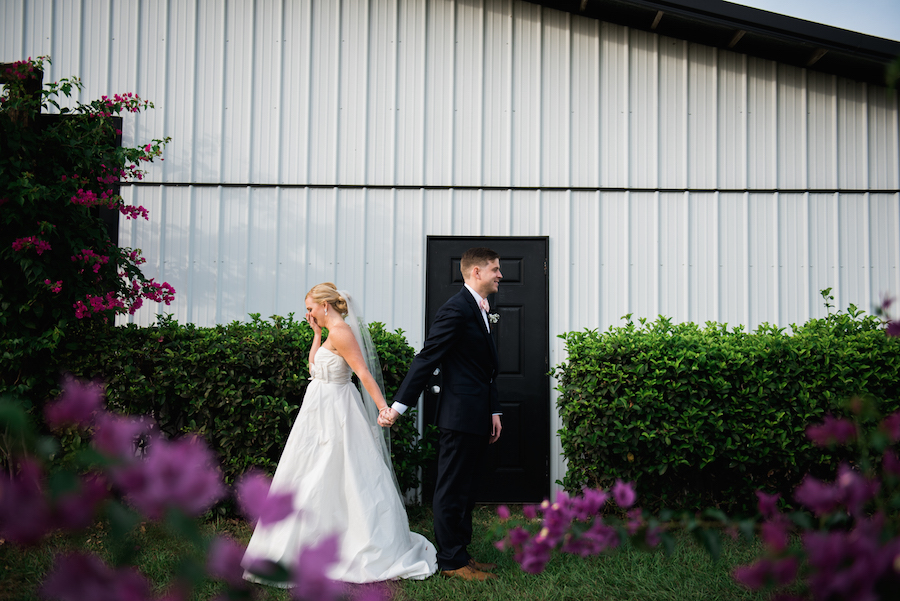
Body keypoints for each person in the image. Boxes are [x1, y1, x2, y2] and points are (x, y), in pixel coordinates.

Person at [241, 283, 437, 585]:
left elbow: (363, 373)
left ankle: (345, 539)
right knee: (306, 470)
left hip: (337, 410)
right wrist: (316, 336)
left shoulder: (343, 333)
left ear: (325, 306)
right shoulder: (329, 333)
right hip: (316, 409)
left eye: (310, 308)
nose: (308, 314)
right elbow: (314, 367)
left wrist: (383, 408)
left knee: (337, 470)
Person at [379, 247, 503, 581]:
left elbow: (485, 369)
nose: (500, 275)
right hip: (459, 416)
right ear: (476, 272)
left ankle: (461, 553)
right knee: (451, 489)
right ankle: (450, 562)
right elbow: (427, 358)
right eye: (495, 269)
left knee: (468, 489)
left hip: (478, 414)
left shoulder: (480, 309)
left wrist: (493, 410)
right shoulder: (456, 308)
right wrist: (398, 407)